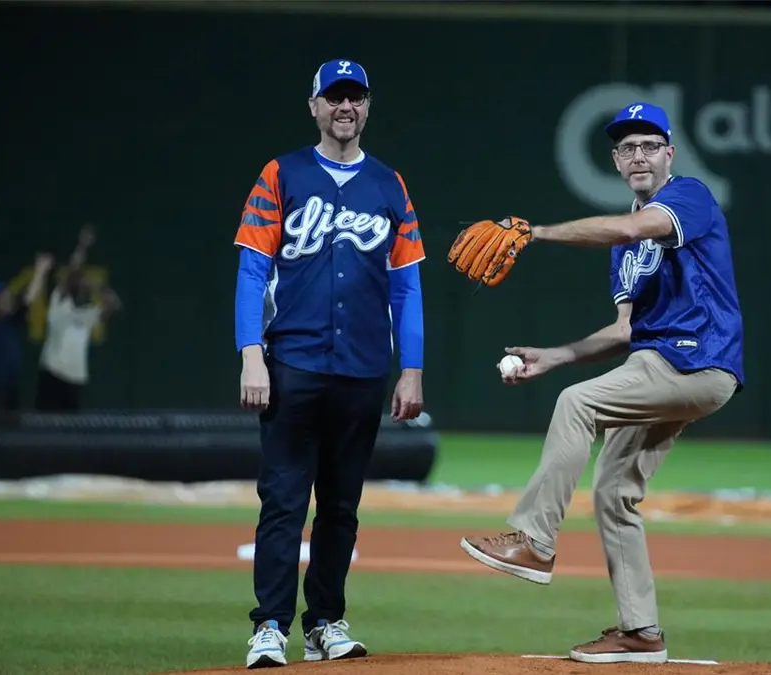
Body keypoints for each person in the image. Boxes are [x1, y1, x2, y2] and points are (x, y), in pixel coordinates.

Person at [458, 102, 745, 664]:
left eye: (648, 145)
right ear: (615, 160)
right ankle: (641, 633)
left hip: (694, 360)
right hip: (659, 363)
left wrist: (534, 232)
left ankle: (533, 541)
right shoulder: (623, 252)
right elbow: (624, 329)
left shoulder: (688, 196)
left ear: (669, 153)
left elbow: (636, 224)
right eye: (626, 148)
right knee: (615, 492)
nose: (638, 155)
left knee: (576, 403)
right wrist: (556, 354)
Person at [233, 58, 426, 669]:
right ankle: (269, 627)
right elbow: (252, 270)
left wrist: (412, 368)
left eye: (356, 98)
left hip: (364, 369)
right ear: (314, 105)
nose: (346, 107)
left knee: (342, 506)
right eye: (334, 97)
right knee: (284, 500)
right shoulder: (281, 173)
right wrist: (250, 355)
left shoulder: (389, 185)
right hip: (293, 361)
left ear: (367, 107)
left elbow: (407, 286)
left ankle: (324, 623)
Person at [36, 225, 119, 412]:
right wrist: (82, 246)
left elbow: (114, 306)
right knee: (43, 427)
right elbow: (72, 270)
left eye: (83, 283)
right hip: (52, 373)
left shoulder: (89, 314)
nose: (81, 285)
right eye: (78, 282)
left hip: (76, 378)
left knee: (70, 431)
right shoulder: (60, 302)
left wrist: (99, 286)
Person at [0, 252, 53, 413]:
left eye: (9, 300)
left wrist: (40, 271)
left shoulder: (12, 320)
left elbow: (29, 297)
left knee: (14, 427)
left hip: (13, 382)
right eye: (2, 299)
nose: (6, 302)